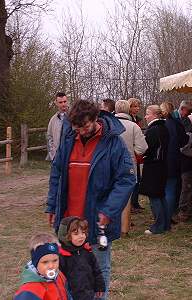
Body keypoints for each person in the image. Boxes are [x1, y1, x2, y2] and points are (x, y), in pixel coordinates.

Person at [46, 100, 136, 299]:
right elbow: (56, 174)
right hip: (68, 220)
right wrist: (52, 205)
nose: (81, 131)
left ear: (96, 119)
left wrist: (108, 211)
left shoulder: (114, 143)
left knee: (98, 268)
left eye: (85, 126)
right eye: (77, 128)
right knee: (66, 269)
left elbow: (127, 179)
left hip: (97, 222)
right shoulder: (69, 139)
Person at [114, 100, 148, 235]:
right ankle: (124, 228)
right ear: (128, 110)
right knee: (126, 196)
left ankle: (112, 225)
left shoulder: (107, 124)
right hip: (127, 164)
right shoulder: (133, 126)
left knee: (111, 194)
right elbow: (142, 148)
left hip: (110, 165)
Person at [58, 217, 106, 300]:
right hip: (71, 295)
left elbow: (96, 270)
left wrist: (99, 286)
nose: (81, 236)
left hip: (89, 293)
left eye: (83, 233)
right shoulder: (62, 256)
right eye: (76, 234)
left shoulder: (87, 251)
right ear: (65, 236)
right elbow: (58, 279)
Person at [139, 105, 170, 234]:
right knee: (160, 195)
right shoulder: (164, 128)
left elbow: (147, 148)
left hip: (153, 166)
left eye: (147, 113)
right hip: (162, 165)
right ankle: (165, 223)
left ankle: (158, 225)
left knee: (155, 196)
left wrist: (143, 154)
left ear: (155, 115)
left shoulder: (154, 130)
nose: (145, 116)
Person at [14, 233, 72, 300]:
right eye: (45, 262)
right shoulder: (30, 290)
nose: (51, 266)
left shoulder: (60, 275)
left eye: (55, 260)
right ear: (35, 263)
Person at [160, 101, 188, 225]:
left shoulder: (160, 124)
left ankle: (163, 216)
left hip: (161, 160)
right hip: (174, 159)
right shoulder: (177, 124)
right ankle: (168, 215)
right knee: (170, 189)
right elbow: (184, 141)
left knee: (165, 189)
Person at [127, 97, 144, 210]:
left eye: (138, 106)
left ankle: (135, 202)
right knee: (132, 178)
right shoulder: (129, 120)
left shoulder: (137, 119)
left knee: (138, 178)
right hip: (131, 151)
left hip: (137, 153)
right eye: (134, 106)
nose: (137, 108)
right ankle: (131, 204)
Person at [46, 92, 69, 161]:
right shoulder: (53, 120)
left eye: (65, 101)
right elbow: (49, 137)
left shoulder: (74, 117)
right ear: (56, 103)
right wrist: (52, 154)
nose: (63, 104)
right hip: (57, 157)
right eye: (60, 102)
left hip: (71, 156)